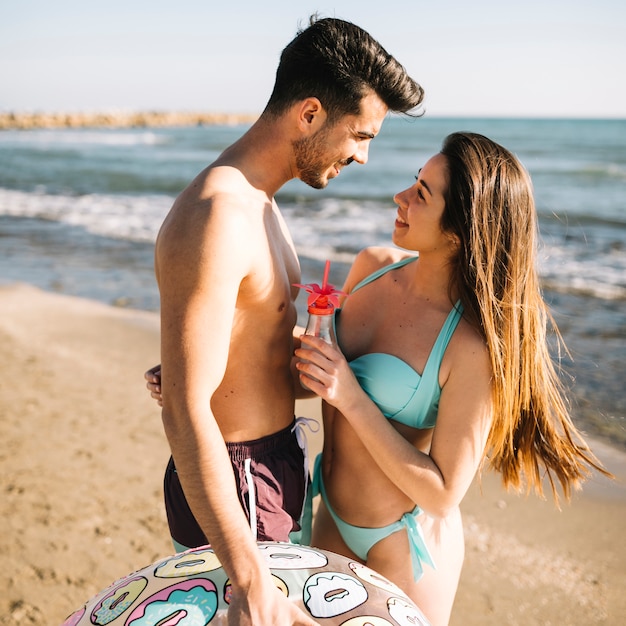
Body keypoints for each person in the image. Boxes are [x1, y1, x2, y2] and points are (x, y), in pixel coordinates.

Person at [146, 15, 424, 626]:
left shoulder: (258, 201)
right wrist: (247, 580)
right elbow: (185, 411)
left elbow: (246, 346)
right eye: (360, 134)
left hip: (270, 466)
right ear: (309, 114)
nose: (363, 155)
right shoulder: (218, 215)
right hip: (236, 483)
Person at [293, 132, 611, 626]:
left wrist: (351, 398)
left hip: (399, 547)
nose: (400, 197)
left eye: (422, 194)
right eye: (413, 182)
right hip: (329, 513)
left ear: (461, 231)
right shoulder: (371, 268)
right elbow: (319, 366)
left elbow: (442, 492)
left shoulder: (468, 347)